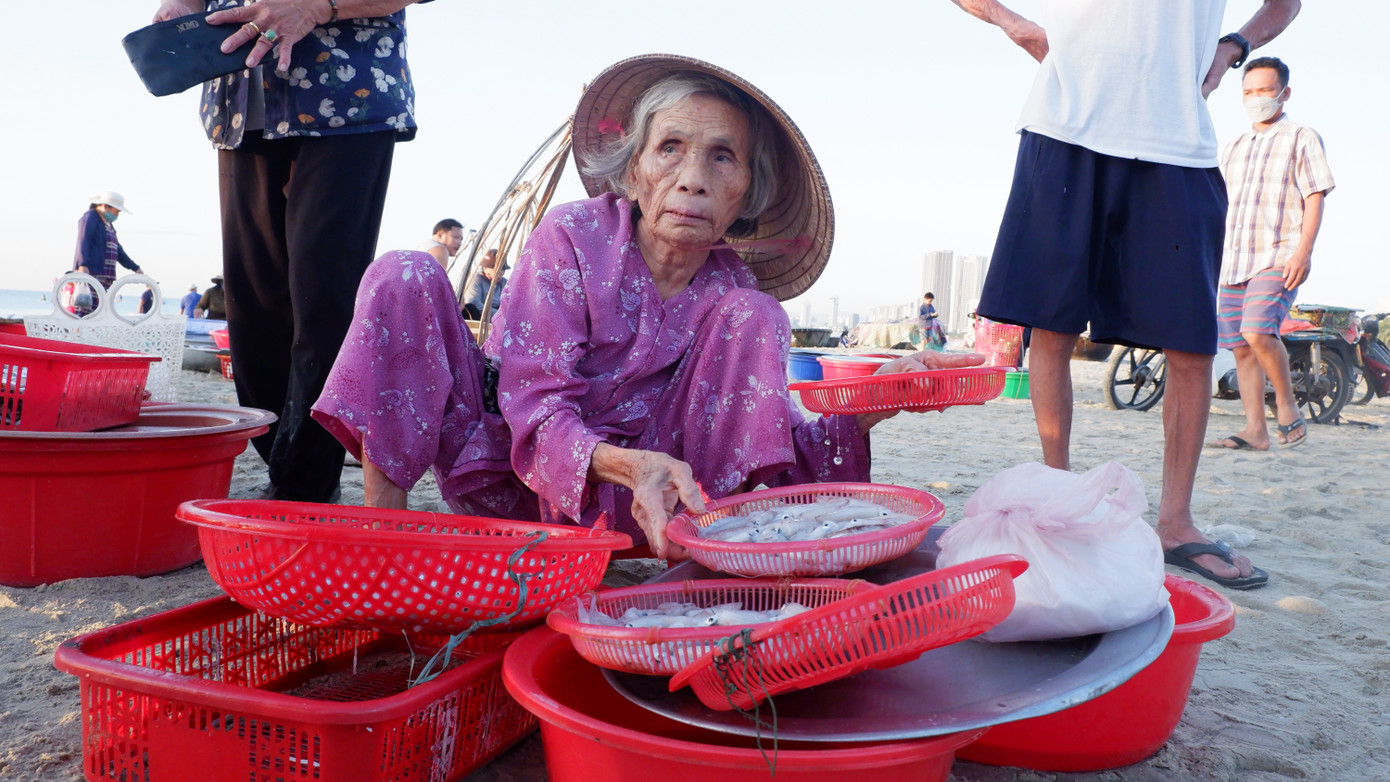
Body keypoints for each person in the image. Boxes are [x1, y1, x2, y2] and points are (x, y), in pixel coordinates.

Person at [312, 55, 983, 558]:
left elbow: (777, 463)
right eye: (671, 149)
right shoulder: (571, 238)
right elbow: (534, 410)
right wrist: (626, 463)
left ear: (748, 192)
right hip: (515, 480)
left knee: (760, 316)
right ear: (633, 172)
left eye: (723, 158)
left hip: (660, 513)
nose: (693, 177)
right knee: (404, 274)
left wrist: (871, 408)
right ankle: (382, 541)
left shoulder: (737, 301)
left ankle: (698, 561)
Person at [954, 0, 1303, 590]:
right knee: (1053, 323)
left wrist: (1233, 46)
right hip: (1066, 123)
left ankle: (1176, 523)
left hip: (1176, 140)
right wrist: (1010, 21)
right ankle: (1057, 496)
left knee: (1191, 340)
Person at [152, 0, 427, 504]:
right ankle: (285, 468)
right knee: (253, 305)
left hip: (348, 99)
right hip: (240, 100)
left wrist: (320, 7)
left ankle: (303, 488)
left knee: (325, 304)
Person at [1207, 57, 1333, 452]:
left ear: (1284, 93)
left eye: (1264, 91)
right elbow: (1219, 202)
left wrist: (1303, 252)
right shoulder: (1233, 147)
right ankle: (1255, 431)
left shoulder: (1302, 137)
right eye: (1248, 92)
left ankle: (1287, 402)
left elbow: (1314, 195)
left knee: (1258, 330)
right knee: (1241, 348)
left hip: (1278, 254)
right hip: (1232, 260)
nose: (1256, 99)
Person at [72, 191, 143, 314]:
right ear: (106, 206)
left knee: (99, 312)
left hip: (105, 277)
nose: (117, 215)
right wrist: (82, 265)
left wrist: (135, 267)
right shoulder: (90, 217)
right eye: (117, 211)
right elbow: (83, 241)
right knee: (85, 311)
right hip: (93, 273)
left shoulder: (107, 223)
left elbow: (117, 249)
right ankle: (79, 332)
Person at [461, 249, 507, 320]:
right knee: (471, 308)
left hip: (499, 317)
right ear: (485, 268)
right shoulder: (476, 279)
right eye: (497, 269)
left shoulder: (504, 283)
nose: (501, 272)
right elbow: (474, 302)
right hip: (481, 317)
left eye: (503, 269)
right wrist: (498, 315)